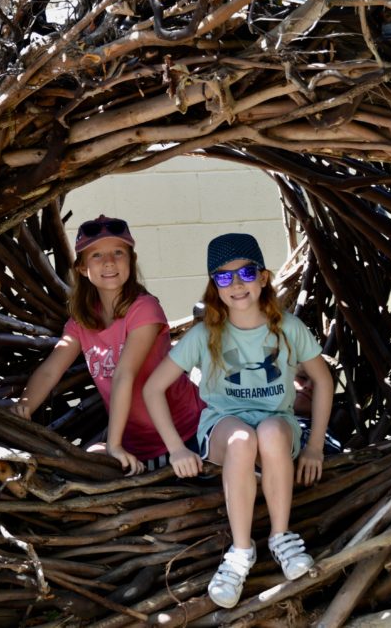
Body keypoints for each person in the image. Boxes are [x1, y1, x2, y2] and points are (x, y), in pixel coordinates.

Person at [143, 233, 334, 609]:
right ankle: (240, 552)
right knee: (243, 438)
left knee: (269, 431)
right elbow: (153, 388)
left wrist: (314, 448)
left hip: (277, 424)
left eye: (245, 273)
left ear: (263, 277)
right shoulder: (204, 335)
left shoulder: (288, 328)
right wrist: (176, 447)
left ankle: (282, 537)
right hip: (223, 428)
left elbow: (323, 380)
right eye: (224, 277)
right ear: (215, 286)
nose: (237, 284)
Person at [11, 216, 204, 475]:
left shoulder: (144, 308)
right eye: (97, 255)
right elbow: (50, 371)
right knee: (92, 457)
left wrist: (113, 444)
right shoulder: (82, 321)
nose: (109, 262)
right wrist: (23, 407)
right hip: (138, 446)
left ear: (131, 261)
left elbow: (125, 374)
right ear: (81, 268)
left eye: (118, 252)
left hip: (186, 433)